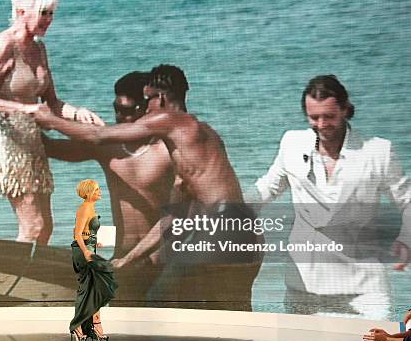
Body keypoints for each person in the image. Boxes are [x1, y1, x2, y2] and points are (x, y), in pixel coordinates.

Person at [35, 65, 263, 309]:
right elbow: (175, 218)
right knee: (234, 316)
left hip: (220, 231)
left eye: (148, 101)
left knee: (163, 299)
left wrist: (49, 119)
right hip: (248, 233)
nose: (146, 110)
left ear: (161, 98)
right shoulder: (204, 138)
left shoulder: (170, 121)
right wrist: (129, 259)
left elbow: (98, 136)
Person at [254, 75, 411, 319]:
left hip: (364, 289)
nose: (321, 124)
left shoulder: (378, 151)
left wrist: (406, 239)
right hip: (303, 288)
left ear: (346, 110)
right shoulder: (292, 143)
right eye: (314, 117)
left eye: (329, 116)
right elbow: (267, 188)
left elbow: (407, 201)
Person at [0, 0, 103, 245]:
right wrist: (26, 109)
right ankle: (12, 283)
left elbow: (52, 103)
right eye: (43, 13)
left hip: (33, 141)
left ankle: (29, 283)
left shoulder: (39, 49)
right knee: (33, 226)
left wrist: (78, 113)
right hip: (7, 143)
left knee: (46, 228)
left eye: (52, 14)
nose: (49, 20)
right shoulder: (4, 44)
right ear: (21, 11)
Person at [43, 71, 175, 265]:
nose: (119, 116)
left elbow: (183, 213)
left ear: (148, 109)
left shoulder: (167, 150)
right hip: (121, 258)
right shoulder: (108, 147)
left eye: (127, 110)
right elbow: (50, 148)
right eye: (116, 108)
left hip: (162, 259)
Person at [69, 179, 118, 341]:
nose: (100, 192)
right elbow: (77, 235)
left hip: (89, 248)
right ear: (89, 192)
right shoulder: (84, 208)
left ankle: (93, 326)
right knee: (87, 289)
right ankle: (80, 326)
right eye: (97, 190)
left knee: (94, 289)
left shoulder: (91, 207)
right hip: (84, 252)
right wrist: (86, 251)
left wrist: (94, 241)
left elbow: (86, 232)